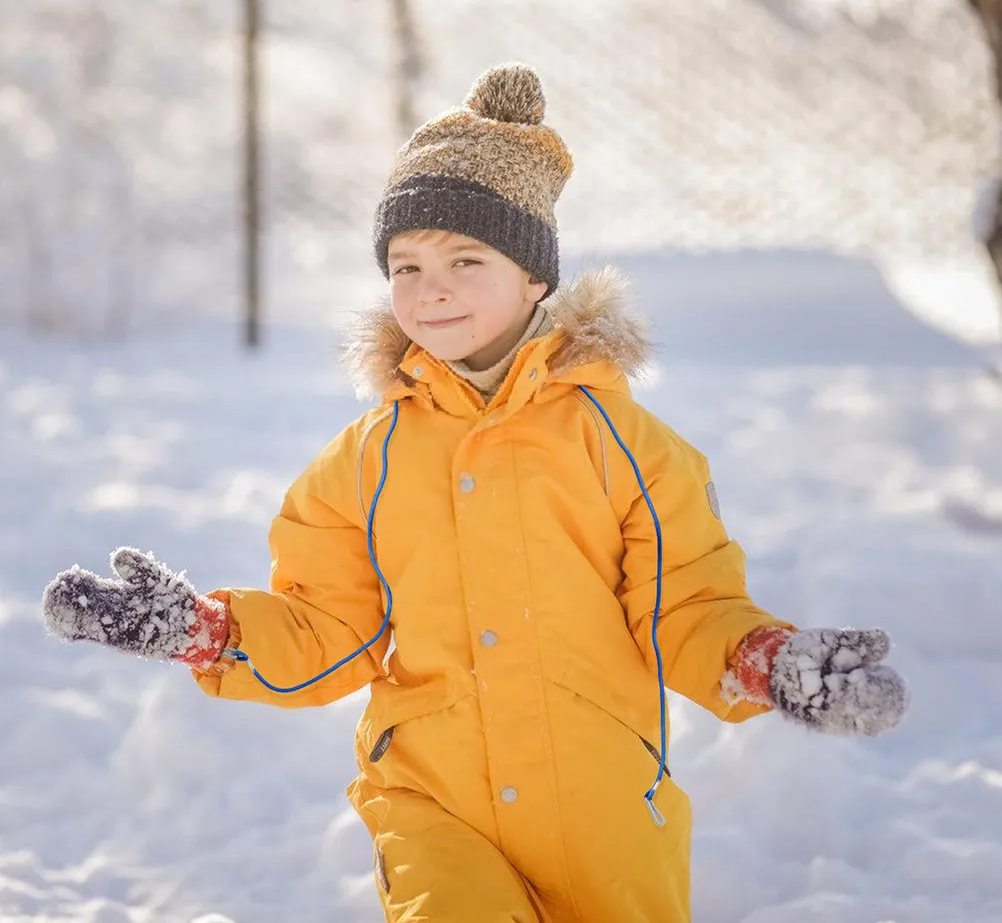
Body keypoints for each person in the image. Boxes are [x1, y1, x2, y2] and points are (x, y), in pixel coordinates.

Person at [42, 63, 909, 923]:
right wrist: (207, 633)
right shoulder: (366, 461)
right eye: (406, 266)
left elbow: (682, 605)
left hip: (599, 803)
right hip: (431, 799)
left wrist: (765, 660)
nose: (432, 288)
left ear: (535, 276)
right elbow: (330, 629)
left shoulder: (626, 448)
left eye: (465, 258)